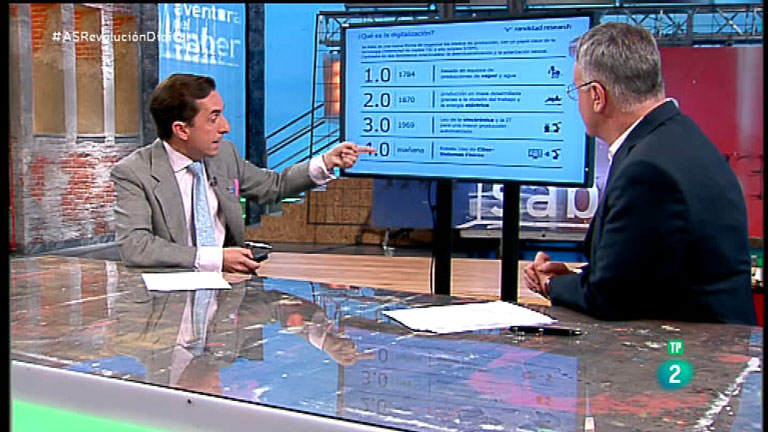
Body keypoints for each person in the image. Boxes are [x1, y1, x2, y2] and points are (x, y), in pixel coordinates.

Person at [523, 22, 756, 325]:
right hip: (711, 339)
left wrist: (550, 284)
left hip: (690, 349)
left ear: (597, 96)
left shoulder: (647, 170)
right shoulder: (677, 136)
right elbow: (640, 274)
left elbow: (612, 300)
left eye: (575, 90)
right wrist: (575, 280)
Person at [111, 73, 374, 273]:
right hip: (169, 301)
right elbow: (136, 246)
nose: (225, 127)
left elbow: (274, 186)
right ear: (181, 129)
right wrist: (215, 259)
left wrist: (327, 162)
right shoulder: (135, 173)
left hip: (230, 292)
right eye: (214, 118)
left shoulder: (225, 155)